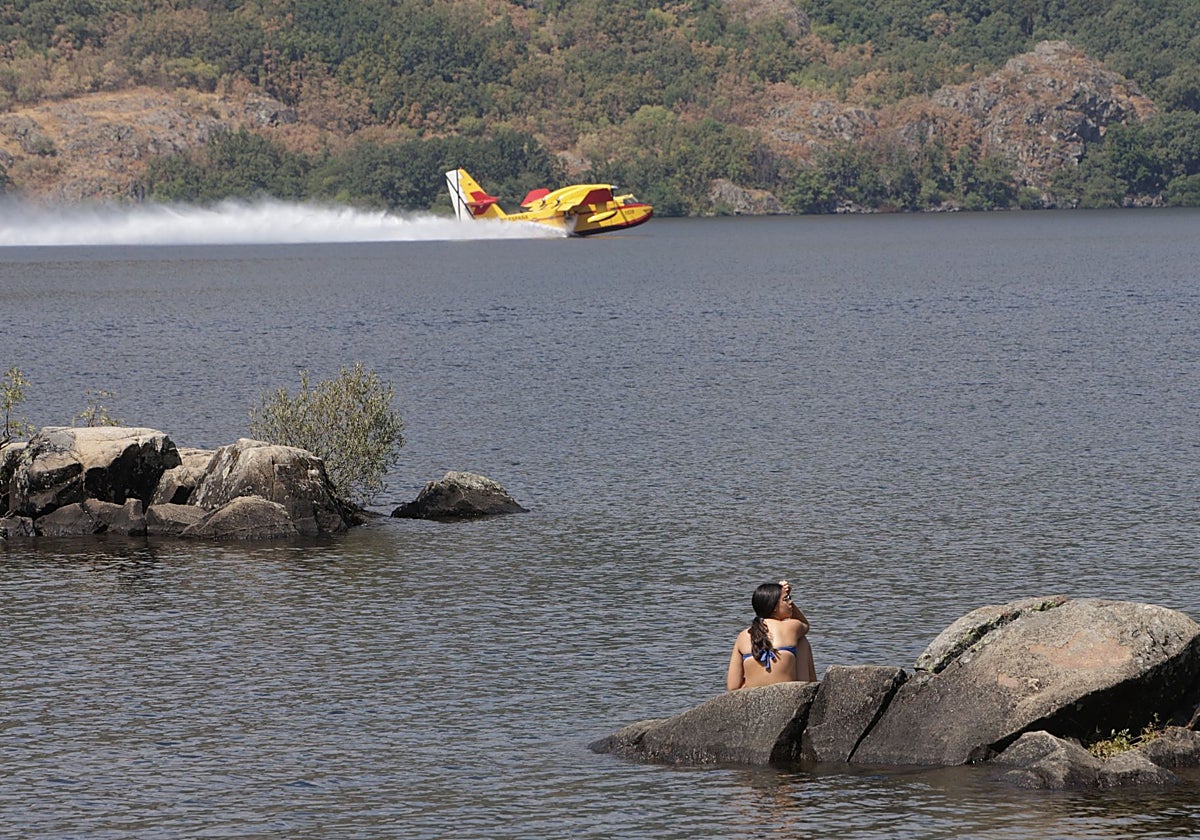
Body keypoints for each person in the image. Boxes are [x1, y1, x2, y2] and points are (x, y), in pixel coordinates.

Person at [726, 579, 817, 690]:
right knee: (802, 641)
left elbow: (733, 687)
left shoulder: (743, 636)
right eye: (786, 599)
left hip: (752, 696)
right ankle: (813, 689)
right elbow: (805, 624)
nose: (790, 602)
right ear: (774, 607)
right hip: (792, 692)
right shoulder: (790, 627)